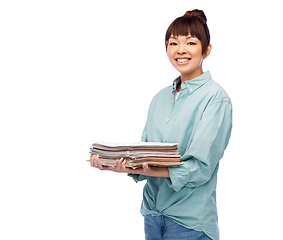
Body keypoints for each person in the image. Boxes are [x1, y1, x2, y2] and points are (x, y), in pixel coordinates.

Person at [90, 9, 232, 240]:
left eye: (191, 43)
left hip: (190, 223)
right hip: (153, 216)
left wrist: (152, 169)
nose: (180, 50)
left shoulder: (215, 98)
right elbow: (146, 155)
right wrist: (120, 165)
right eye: (173, 43)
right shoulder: (160, 98)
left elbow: (201, 168)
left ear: (207, 50)